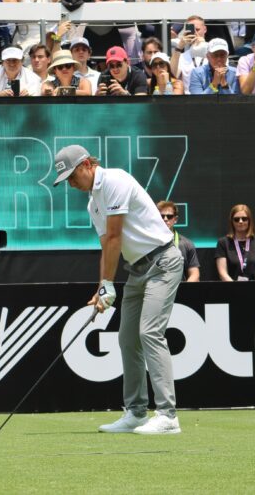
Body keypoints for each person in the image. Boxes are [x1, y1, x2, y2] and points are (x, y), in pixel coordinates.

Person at [53, 145, 183, 435]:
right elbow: (105, 247)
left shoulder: (115, 180)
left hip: (163, 261)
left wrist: (108, 285)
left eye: (73, 176)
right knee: (127, 339)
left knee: (150, 332)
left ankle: (168, 416)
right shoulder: (92, 203)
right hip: (137, 269)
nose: (71, 184)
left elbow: (114, 237)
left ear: (87, 164)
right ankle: (136, 412)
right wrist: (103, 288)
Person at [215, 204, 255, 282]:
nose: (240, 221)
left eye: (244, 219)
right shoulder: (223, 243)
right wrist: (236, 289)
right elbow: (222, 273)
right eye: (236, 219)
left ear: (249, 220)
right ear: (232, 222)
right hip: (231, 290)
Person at [157, 201, 199, 281]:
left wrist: (185, 290)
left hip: (180, 290)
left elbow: (194, 273)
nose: (165, 219)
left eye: (169, 216)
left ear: (175, 219)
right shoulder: (149, 243)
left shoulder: (187, 244)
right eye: (161, 216)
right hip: (154, 291)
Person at [170, 15, 209, 94]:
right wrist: (179, 48)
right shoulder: (182, 56)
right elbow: (173, 75)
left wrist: (204, 45)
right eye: (191, 30)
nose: (195, 33)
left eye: (197, 30)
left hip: (212, 94)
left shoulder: (215, 51)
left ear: (205, 29)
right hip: (189, 99)